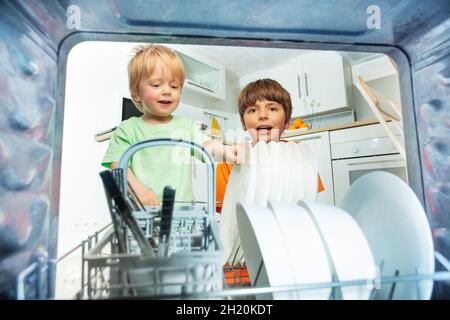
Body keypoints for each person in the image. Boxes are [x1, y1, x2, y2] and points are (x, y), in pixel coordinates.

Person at [102, 44, 240, 206]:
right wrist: (139, 190)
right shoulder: (127, 129)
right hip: (142, 212)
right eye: (156, 85)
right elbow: (118, 165)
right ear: (137, 94)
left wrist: (226, 151)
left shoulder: (186, 126)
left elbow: (207, 147)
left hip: (181, 214)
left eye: (174, 86)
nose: (167, 91)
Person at [216, 78, 324, 213]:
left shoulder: (301, 156)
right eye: (252, 110)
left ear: (287, 121)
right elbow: (227, 218)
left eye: (272, 108)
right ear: (243, 123)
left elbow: (310, 204)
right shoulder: (230, 160)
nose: (262, 115)